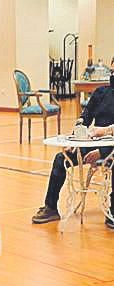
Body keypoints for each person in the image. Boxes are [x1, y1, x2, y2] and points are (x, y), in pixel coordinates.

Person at [32, 77, 114, 227]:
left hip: (111, 147)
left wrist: (103, 152)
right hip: (96, 141)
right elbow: (85, 116)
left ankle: (113, 211)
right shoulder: (101, 92)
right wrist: (76, 137)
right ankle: (50, 207)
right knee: (61, 158)